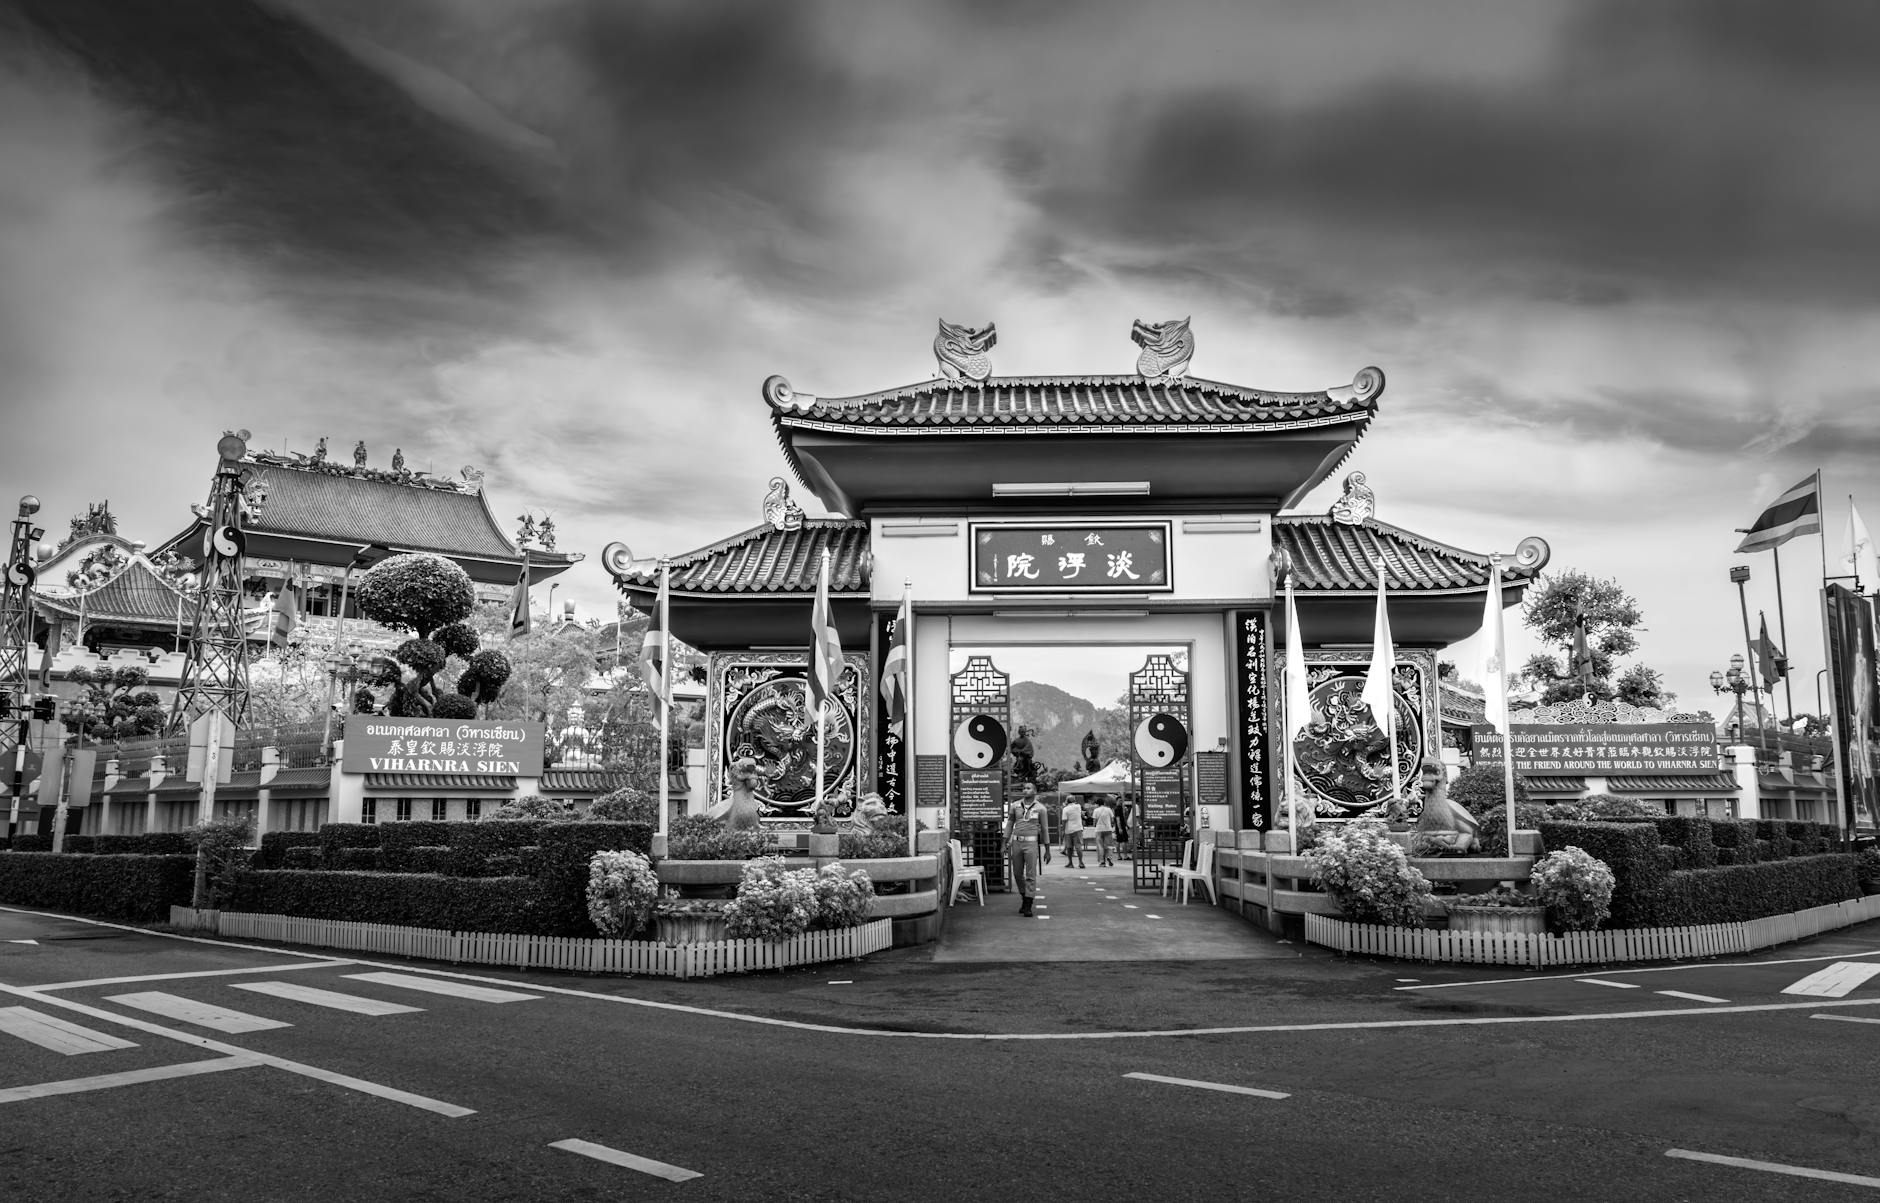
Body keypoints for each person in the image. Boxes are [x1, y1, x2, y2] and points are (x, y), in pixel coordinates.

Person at [1413, 762, 1478, 853]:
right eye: (1426, 773)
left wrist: (1460, 845)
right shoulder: (1425, 814)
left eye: (1433, 772)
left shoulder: (1450, 809)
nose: (1427, 776)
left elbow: (1467, 832)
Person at [1003, 787, 1047, 916]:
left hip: (1031, 843)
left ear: (1034, 791)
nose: (1025, 790)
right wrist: (1004, 843)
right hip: (1016, 842)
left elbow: (1044, 829)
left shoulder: (1041, 808)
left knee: (1030, 874)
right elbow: (1010, 824)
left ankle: (1028, 904)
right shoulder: (1015, 805)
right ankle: (1024, 896)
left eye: (1028, 788)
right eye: (1024, 788)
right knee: (1016, 873)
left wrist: (1047, 849)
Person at [1059, 795, 1087, 868]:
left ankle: (1070, 863)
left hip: (1068, 830)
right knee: (1078, 846)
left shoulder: (1065, 809)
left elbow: (1064, 821)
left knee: (1069, 847)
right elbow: (1081, 814)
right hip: (1078, 829)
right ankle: (1081, 862)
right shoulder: (1078, 807)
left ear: (1067, 801)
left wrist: (1062, 831)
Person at [1089, 795, 1117, 867]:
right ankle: (1109, 857)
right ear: (1104, 803)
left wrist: (1095, 825)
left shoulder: (1096, 810)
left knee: (1100, 846)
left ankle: (1102, 862)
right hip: (1108, 829)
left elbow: (1094, 821)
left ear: (1097, 804)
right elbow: (1112, 820)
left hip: (1099, 830)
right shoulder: (1108, 809)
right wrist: (1110, 824)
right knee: (1109, 845)